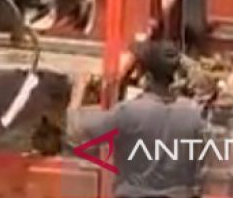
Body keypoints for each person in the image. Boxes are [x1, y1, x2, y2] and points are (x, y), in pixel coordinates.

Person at [68, 40, 205, 198]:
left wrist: (77, 93)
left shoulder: (129, 113)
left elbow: (76, 132)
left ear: (146, 77)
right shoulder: (193, 114)